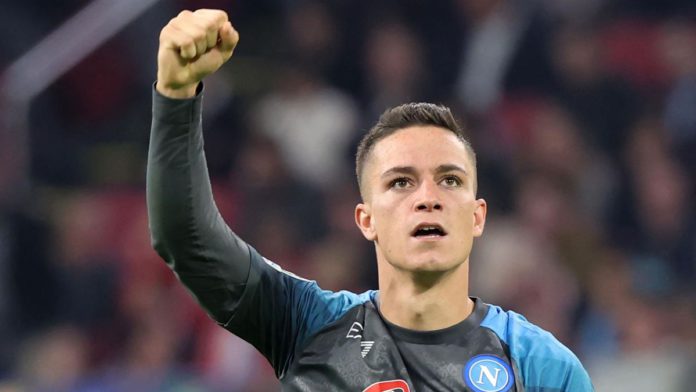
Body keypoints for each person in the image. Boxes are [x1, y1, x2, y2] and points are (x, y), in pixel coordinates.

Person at [148, 9, 594, 391]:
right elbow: (187, 239)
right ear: (365, 219)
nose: (428, 198)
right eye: (401, 182)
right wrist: (176, 96)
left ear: (478, 217)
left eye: (450, 180)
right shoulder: (311, 326)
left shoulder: (541, 365)